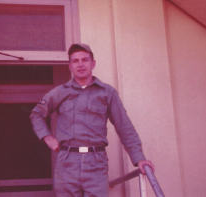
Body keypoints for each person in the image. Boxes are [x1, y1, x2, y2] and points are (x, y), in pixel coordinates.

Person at [30, 43, 154, 197]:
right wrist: (47, 137)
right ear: (70, 66)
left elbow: (124, 127)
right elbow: (36, 114)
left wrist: (139, 158)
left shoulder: (107, 93)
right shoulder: (59, 92)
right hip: (67, 162)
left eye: (85, 60)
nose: (80, 65)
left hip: (96, 162)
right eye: (75, 61)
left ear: (93, 64)